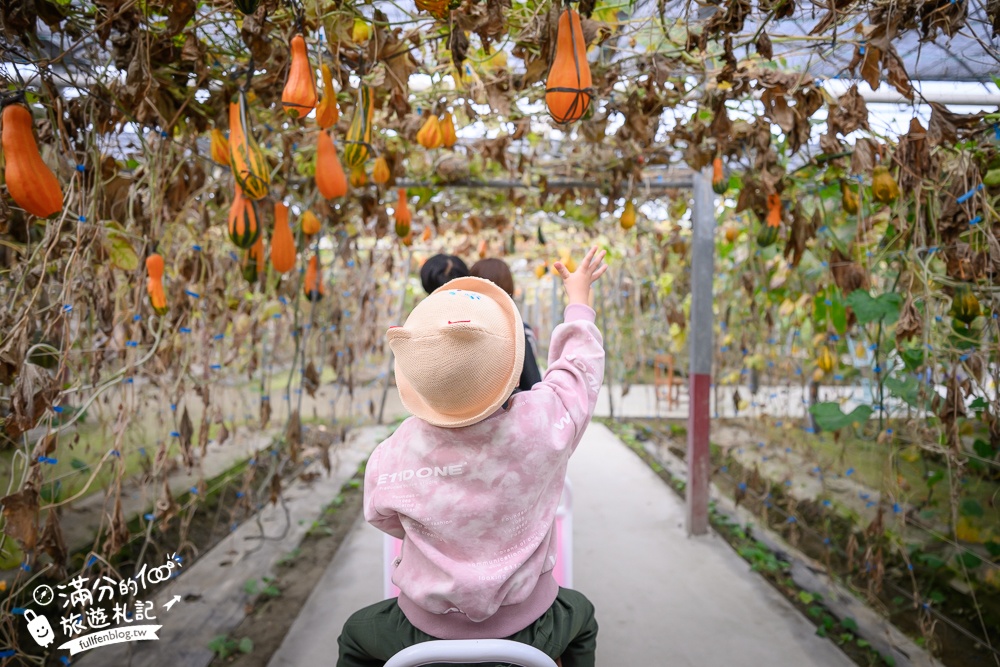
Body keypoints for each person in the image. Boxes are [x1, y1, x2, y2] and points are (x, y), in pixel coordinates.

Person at [337, 246, 608, 667]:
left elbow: (382, 517)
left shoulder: (396, 450)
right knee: (582, 617)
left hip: (420, 629)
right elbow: (579, 372)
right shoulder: (542, 424)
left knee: (356, 635)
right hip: (531, 627)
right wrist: (578, 302)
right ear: (510, 365)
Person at [470, 257, 542, 391]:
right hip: (510, 408)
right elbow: (533, 383)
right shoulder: (519, 330)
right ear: (509, 286)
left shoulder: (461, 328)